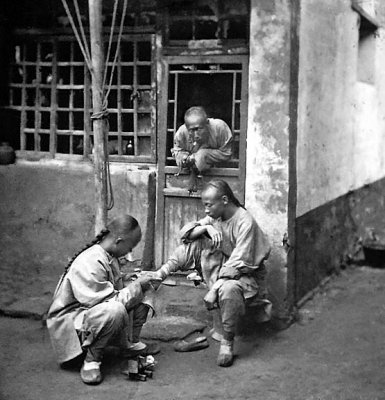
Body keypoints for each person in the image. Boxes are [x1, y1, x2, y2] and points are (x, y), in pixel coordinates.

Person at [153, 179, 271, 367]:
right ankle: (159, 275)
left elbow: (238, 264)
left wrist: (214, 289)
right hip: (222, 268)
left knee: (228, 289)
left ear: (224, 200)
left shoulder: (244, 221)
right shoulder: (216, 218)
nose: (206, 210)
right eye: (204, 206)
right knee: (195, 242)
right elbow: (185, 234)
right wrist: (205, 228)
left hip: (244, 276)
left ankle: (227, 342)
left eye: (209, 205)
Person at [46, 215, 158, 385]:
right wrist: (136, 285)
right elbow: (109, 302)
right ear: (118, 241)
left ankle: (130, 342)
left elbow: (111, 286)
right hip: (71, 323)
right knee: (115, 310)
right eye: (130, 247)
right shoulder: (90, 260)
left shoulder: (108, 254)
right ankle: (91, 360)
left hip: (91, 313)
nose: (129, 254)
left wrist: (135, 279)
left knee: (146, 288)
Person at [171, 107, 233, 192]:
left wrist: (203, 155)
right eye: (191, 130)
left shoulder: (219, 128)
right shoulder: (182, 133)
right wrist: (183, 157)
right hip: (192, 176)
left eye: (198, 129)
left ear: (207, 123)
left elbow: (227, 153)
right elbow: (177, 151)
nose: (195, 135)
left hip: (218, 176)